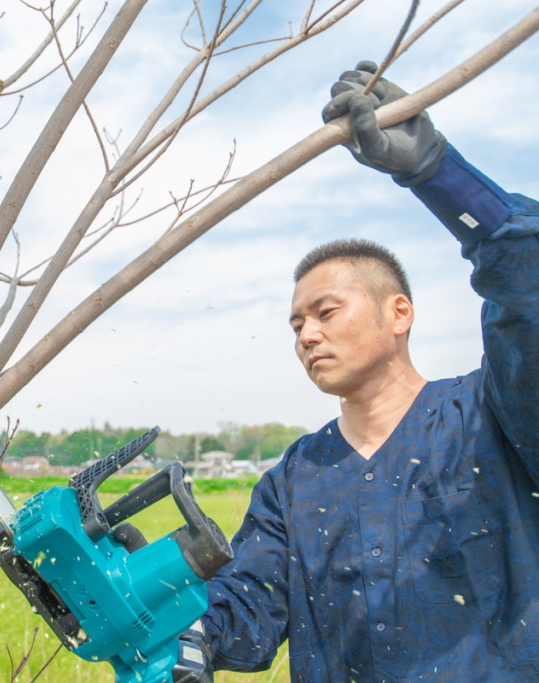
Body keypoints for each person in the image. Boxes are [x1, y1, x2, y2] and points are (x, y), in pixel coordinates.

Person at [194, 61, 539, 681]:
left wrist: (438, 173)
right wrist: (168, 614)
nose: (307, 334)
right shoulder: (293, 480)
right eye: (296, 325)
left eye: (326, 311)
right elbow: (245, 623)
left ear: (398, 312)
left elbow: (530, 290)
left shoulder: (493, 416)